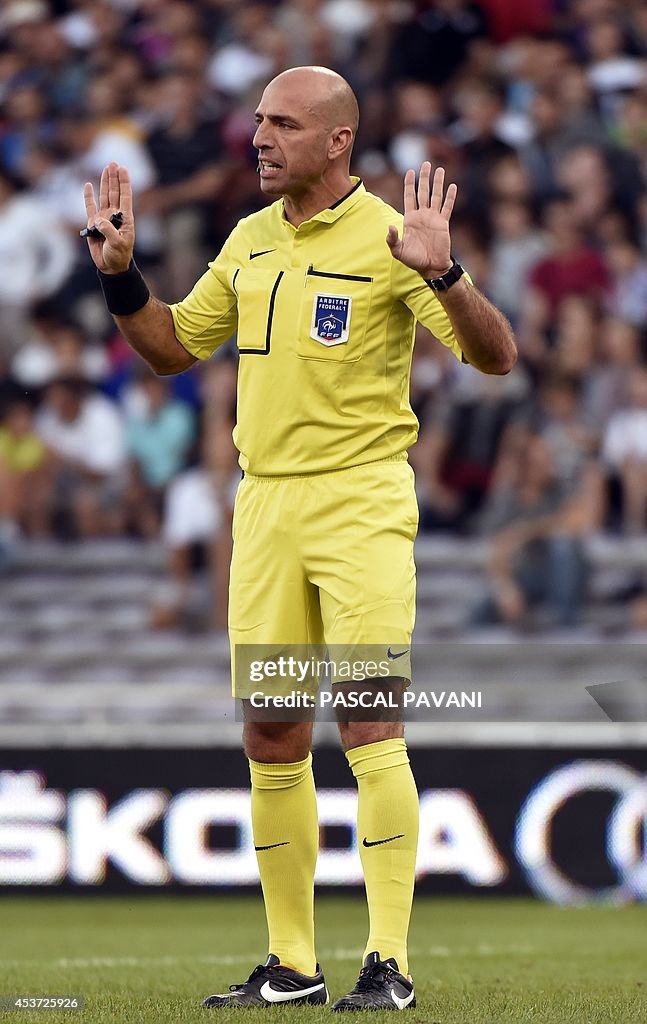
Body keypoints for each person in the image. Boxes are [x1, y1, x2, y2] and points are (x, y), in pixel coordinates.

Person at [83, 66, 516, 1012]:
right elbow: (171, 348)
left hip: (361, 501)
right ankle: (291, 965)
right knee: (273, 734)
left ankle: (388, 963)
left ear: (336, 142)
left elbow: (494, 356)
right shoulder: (248, 239)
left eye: (283, 123)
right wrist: (121, 279)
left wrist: (442, 272)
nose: (260, 136)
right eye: (257, 119)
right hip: (266, 505)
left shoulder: (393, 239)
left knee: (367, 721)